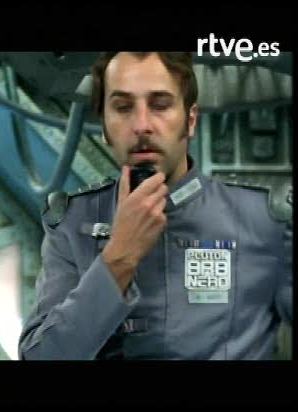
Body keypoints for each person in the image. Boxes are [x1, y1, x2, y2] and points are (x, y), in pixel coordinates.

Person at [18, 52, 292, 360]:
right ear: (105, 127)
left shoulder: (265, 219)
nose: (142, 125)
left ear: (190, 120)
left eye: (160, 105)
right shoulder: (72, 223)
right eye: (123, 107)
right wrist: (119, 258)